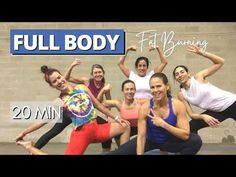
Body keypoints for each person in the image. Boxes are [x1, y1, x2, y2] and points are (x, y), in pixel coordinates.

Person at [15, 66, 130, 155]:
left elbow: (99, 106)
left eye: (59, 77)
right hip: (81, 135)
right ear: (52, 86)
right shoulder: (59, 101)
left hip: (97, 129)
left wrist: (116, 118)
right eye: (55, 81)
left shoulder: (82, 88)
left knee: (125, 126)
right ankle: (30, 147)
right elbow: (41, 121)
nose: (59, 81)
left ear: (63, 76)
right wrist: (24, 132)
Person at [108, 73, 202, 155]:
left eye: (158, 86)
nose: (155, 90)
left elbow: (185, 135)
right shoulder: (145, 107)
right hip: (149, 140)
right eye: (152, 87)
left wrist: (164, 124)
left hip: (169, 141)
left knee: (195, 141)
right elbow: (141, 137)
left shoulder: (177, 105)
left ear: (167, 86)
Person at [172, 45, 236, 134]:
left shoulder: (198, 77)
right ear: (176, 79)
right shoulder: (181, 94)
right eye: (177, 74)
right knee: (191, 127)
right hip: (217, 112)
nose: (180, 75)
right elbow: (191, 114)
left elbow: (220, 62)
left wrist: (202, 53)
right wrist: (204, 116)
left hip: (232, 103)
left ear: (188, 73)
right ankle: (194, 146)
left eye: (182, 72)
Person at [64, 58, 114, 153]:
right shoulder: (86, 82)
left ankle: (106, 151)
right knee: (54, 131)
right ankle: (33, 149)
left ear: (103, 73)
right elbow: (66, 78)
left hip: (90, 115)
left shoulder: (105, 87)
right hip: (76, 112)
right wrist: (72, 65)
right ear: (92, 74)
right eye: (95, 73)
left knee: (107, 125)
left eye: (99, 72)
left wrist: (108, 117)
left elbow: (108, 103)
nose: (98, 74)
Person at [102, 80, 147, 144]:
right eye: (127, 89)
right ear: (122, 90)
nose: (129, 91)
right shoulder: (119, 103)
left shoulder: (141, 102)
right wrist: (103, 91)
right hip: (125, 129)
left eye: (132, 89)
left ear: (135, 90)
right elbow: (98, 103)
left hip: (139, 128)